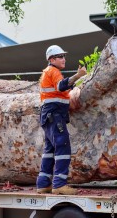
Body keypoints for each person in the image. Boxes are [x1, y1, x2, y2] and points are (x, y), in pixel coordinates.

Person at [36, 45, 86, 195]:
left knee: (49, 151)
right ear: (51, 59)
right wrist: (77, 76)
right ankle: (59, 184)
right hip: (54, 115)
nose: (63, 59)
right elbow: (61, 86)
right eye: (60, 57)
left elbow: (62, 91)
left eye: (64, 56)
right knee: (63, 148)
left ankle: (43, 184)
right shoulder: (53, 71)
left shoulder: (48, 72)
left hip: (49, 116)